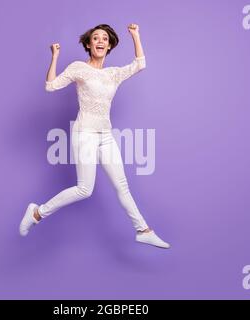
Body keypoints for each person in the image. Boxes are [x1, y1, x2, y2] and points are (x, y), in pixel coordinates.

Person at [20, 23, 170, 249]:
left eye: (105, 39)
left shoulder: (113, 74)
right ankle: (37, 212)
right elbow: (50, 86)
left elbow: (140, 64)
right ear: (89, 44)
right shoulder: (79, 67)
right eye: (96, 38)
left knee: (122, 185)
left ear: (109, 46)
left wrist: (136, 36)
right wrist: (55, 57)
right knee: (84, 189)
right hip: (85, 134)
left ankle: (143, 230)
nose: (100, 41)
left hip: (105, 135)